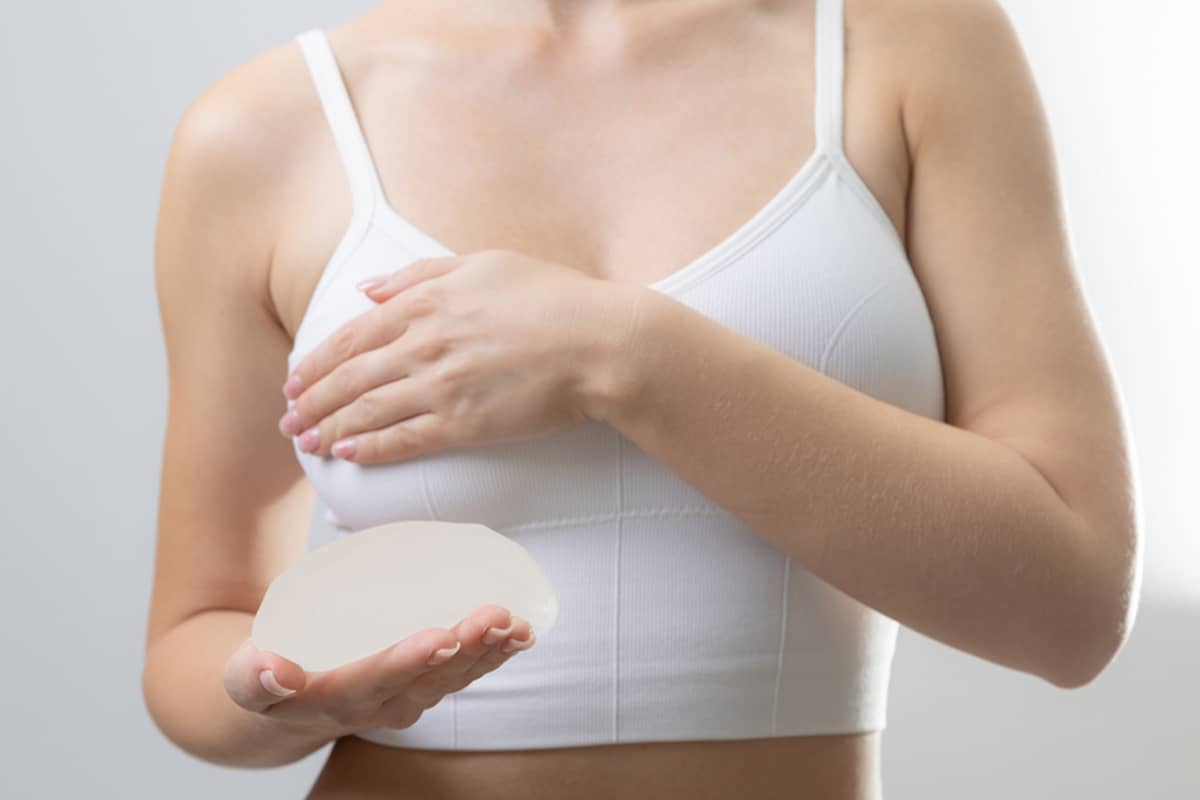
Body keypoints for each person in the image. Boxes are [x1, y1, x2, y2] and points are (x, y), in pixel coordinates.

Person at [142, 0, 1140, 798]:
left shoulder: (912, 43)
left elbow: (1073, 606)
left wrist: (625, 354)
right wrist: (289, 691)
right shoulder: (263, 130)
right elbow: (198, 632)